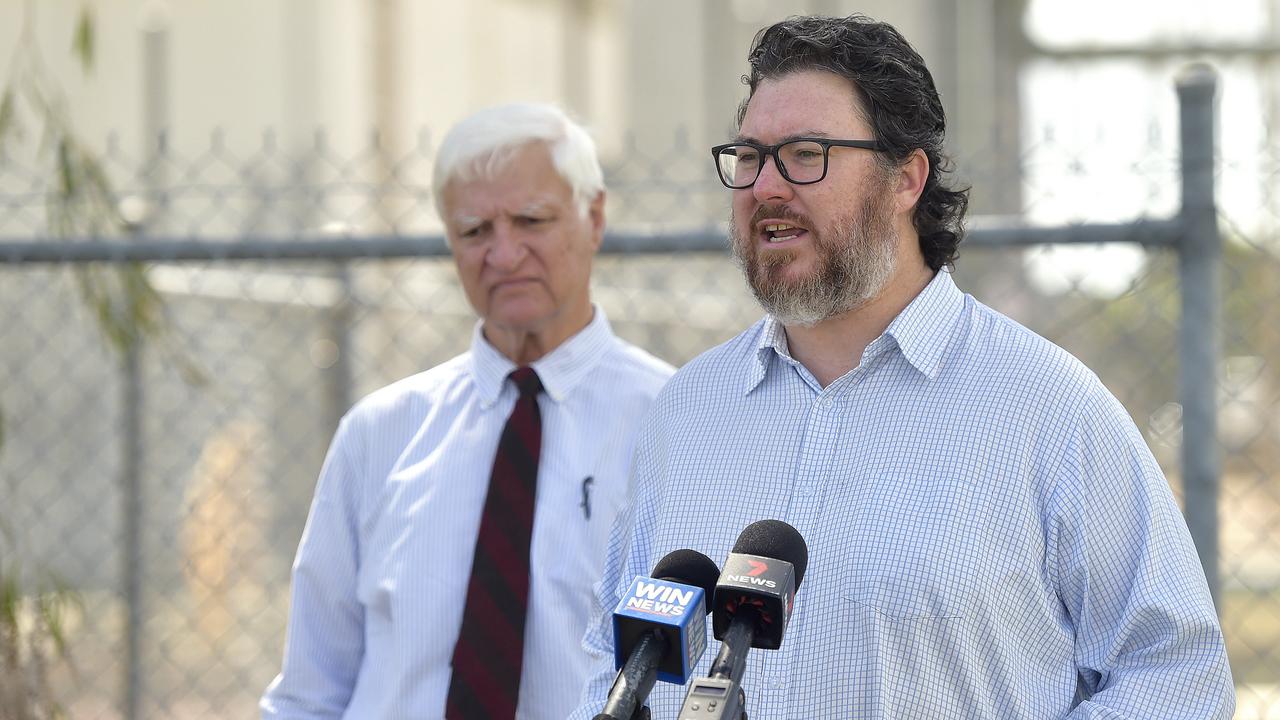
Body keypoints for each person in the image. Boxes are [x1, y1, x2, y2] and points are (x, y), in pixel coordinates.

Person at [570, 14, 1234, 719]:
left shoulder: (1049, 410)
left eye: (804, 153)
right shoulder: (686, 411)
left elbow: (1176, 677)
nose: (765, 185)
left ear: (906, 178)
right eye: (749, 156)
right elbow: (606, 662)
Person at [261, 103, 675, 720]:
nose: (503, 255)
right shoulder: (380, 434)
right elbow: (310, 691)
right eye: (475, 231)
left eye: (531, 220)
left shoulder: (674, 427)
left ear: (595, 218)